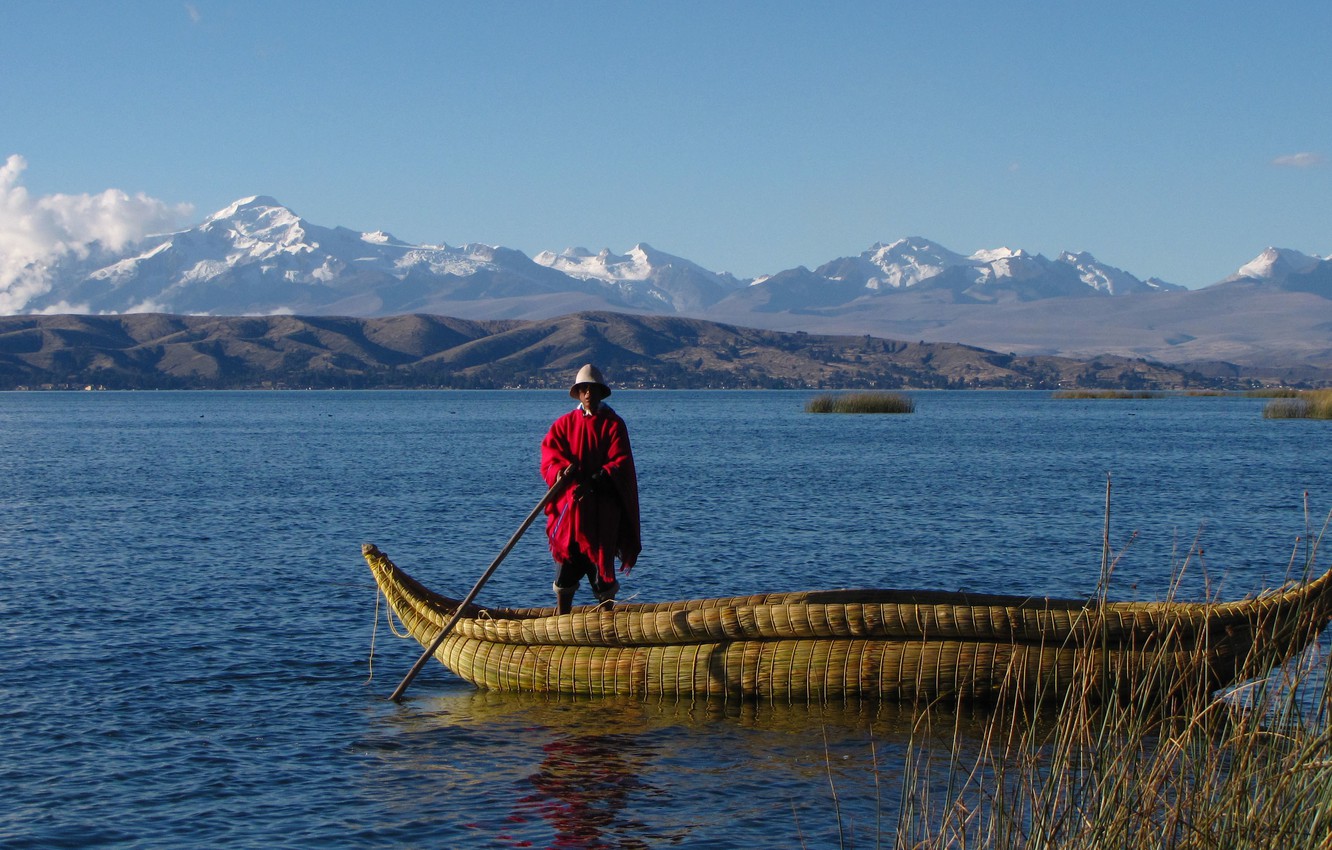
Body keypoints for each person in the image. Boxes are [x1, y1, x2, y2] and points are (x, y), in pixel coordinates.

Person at [540, 364, 641, 614]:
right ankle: (561, 623)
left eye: (592, 389)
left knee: (601, 572)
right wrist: (561, 472)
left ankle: (607, 624)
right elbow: (549, 457)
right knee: (565, 570)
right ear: (578, 393)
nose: (588, 393)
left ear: (600, 392)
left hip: (600, 514)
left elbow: (620, 463)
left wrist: (594, 480)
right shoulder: (564, 424)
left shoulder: (613, 424)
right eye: (583, 389)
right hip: (571, 512)